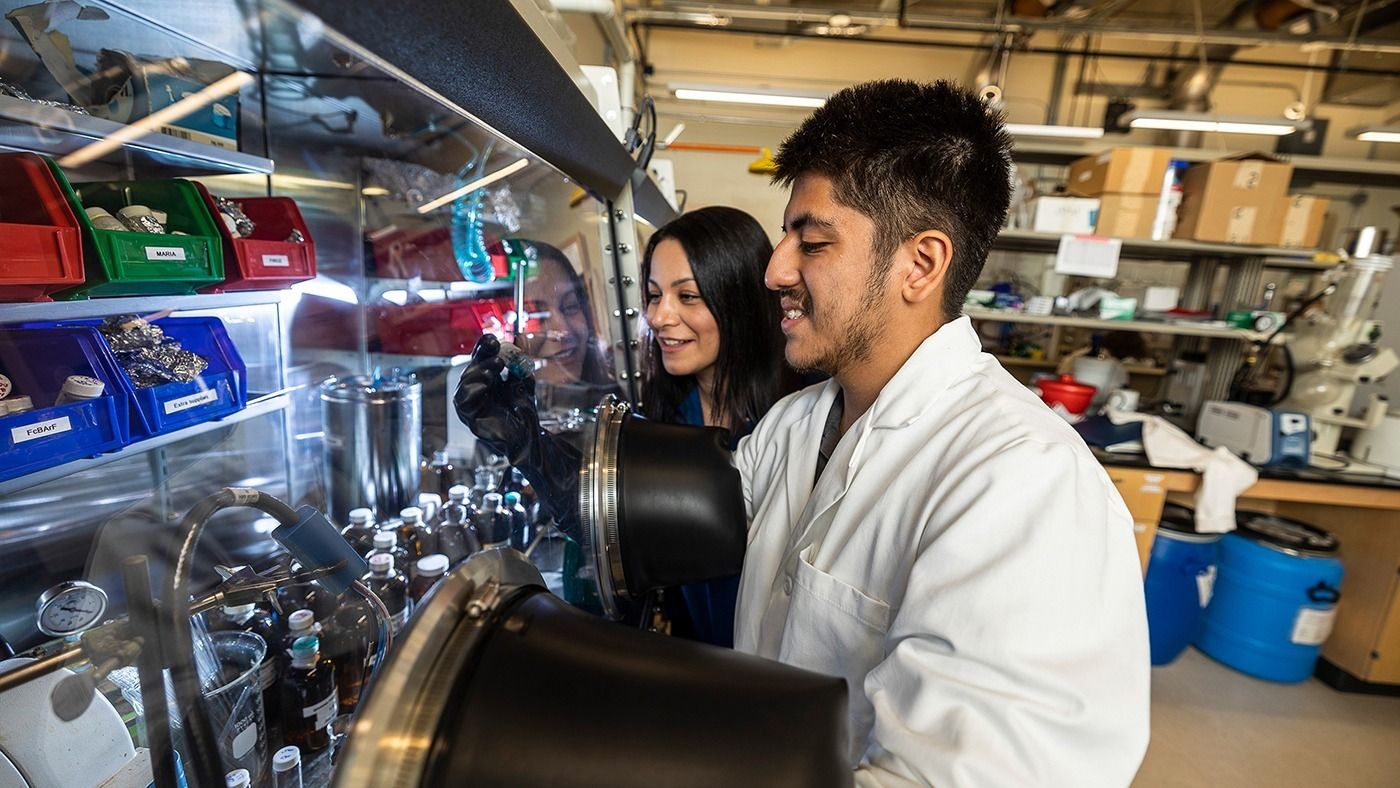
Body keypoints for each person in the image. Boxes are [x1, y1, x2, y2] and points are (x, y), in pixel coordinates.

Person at [458, 79, 1149, 785]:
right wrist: (532, 448)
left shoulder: (1025, 483)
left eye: (812, 243)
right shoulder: (796, 424)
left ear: (920, 264)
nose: (775, 269)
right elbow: (657, 527)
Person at [639, 206, 797, 646]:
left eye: (687, 296)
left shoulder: (800, 420)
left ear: (740, 300)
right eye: (654, 295)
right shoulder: (666, 414)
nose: (659, 317)